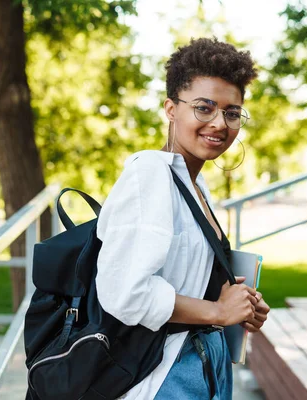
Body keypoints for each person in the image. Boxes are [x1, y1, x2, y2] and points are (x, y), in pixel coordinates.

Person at [95, 37, 271, 399]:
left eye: (232, 112)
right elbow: (124, 293)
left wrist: (239, 304)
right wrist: (218, 311)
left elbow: (181, 274)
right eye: (204, 108)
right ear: (171, 109)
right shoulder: (149, 174)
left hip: (204, 365)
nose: (220, 123)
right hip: (164, 376)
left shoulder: (192, 181)